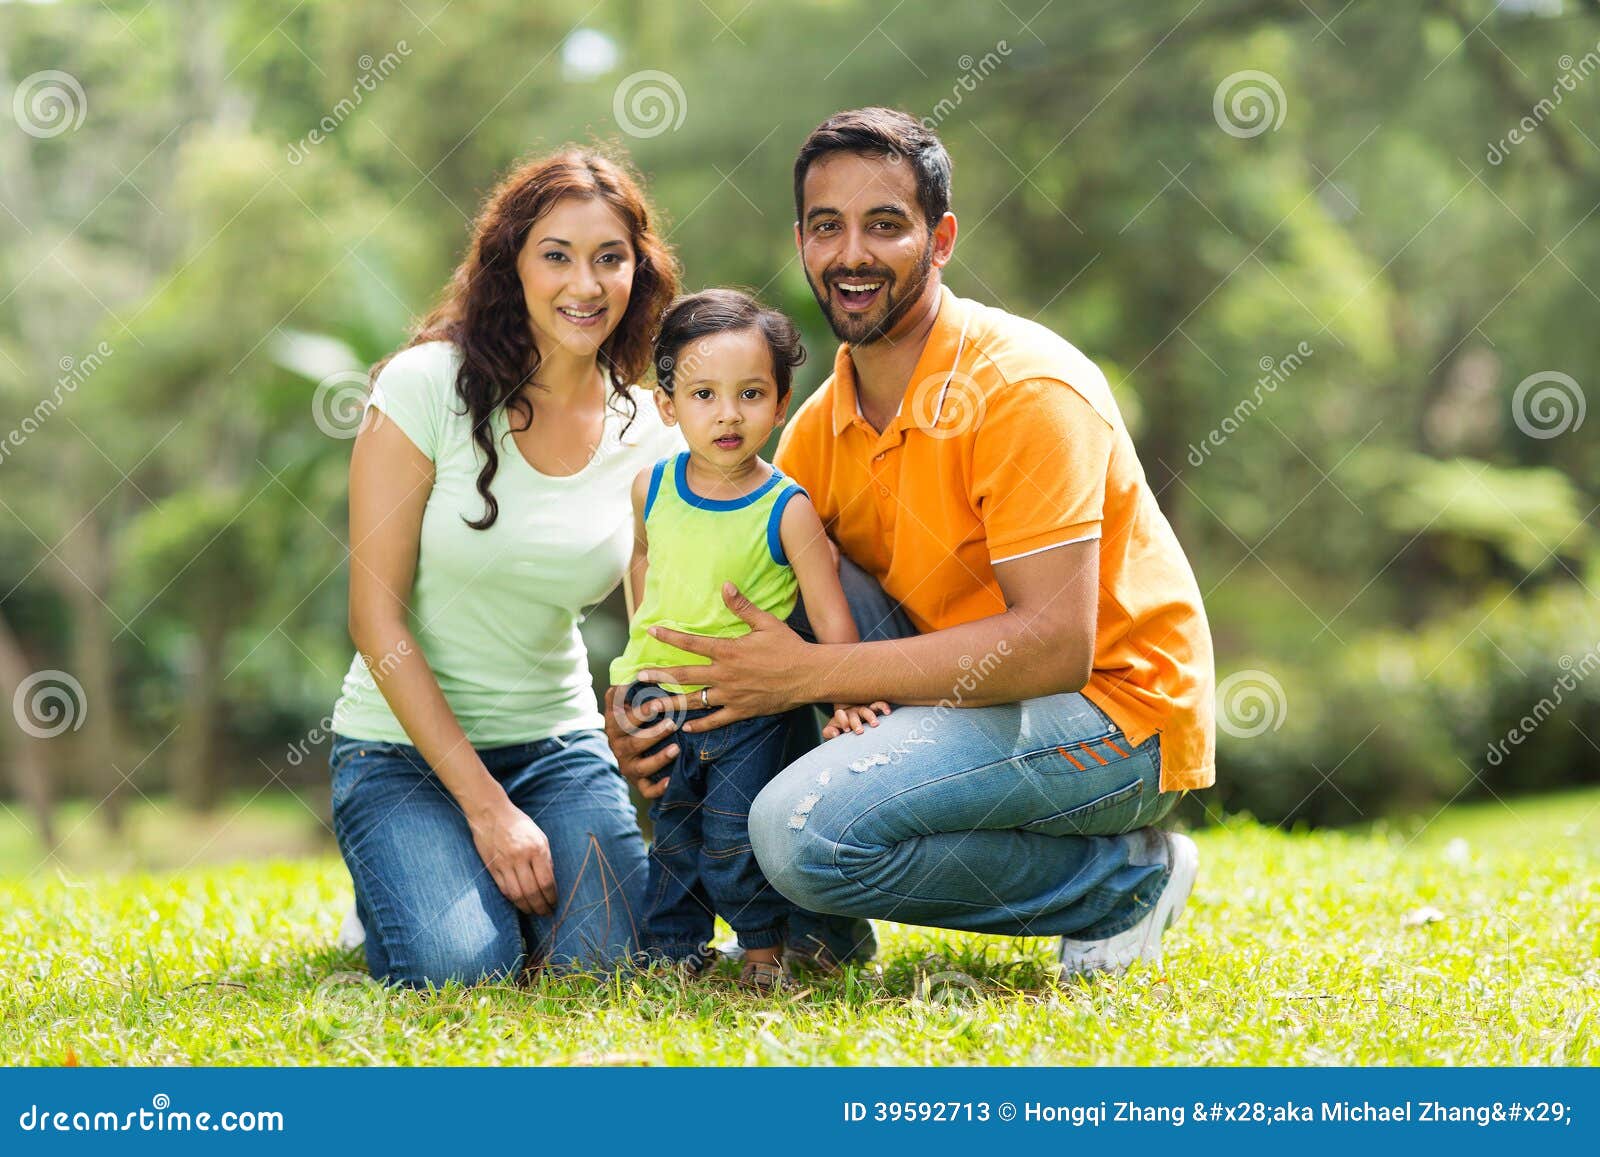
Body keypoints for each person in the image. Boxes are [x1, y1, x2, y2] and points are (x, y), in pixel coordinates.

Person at [605, 108, 1216, 980]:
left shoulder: (1023, 388)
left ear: (940, 241)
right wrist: (653, 706)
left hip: (1116, 718)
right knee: (784, 570)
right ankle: (818, 934)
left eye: (885, 225)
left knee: (799, 832)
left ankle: (1122, 881)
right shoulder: (814, 431)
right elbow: (740, 614)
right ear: (803, 243)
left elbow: (1054, 646)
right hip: (956, 697)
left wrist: (817, 676)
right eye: (828, 228)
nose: (852, 253)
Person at [328, 147, 684, 987]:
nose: (585, 285)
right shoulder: (424, 388)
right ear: (512, 266)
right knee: (465, 970)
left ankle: (464, 886)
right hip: (398, 754)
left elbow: (656, 618)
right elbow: (372, 617)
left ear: (639, 270)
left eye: (610, 259)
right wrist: (487, 811)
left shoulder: (652, 428)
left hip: (557, 747)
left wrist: (643, 715)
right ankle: (407, 877)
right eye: (556, 255)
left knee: (605, 967)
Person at [610, 289, 889, 991]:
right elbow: (644, 559)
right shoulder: (652, 487)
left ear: (782, 401)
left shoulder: (786, 507)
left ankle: (764, 949)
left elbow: (828, 613)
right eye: (703, 393)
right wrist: (640, 652)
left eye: (750, 393)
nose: (727, 414)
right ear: (668, 405)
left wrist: (846, 693)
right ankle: (672, 952)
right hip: (663, 698)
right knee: (674, 831)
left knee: (734, 834)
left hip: (750, 707)